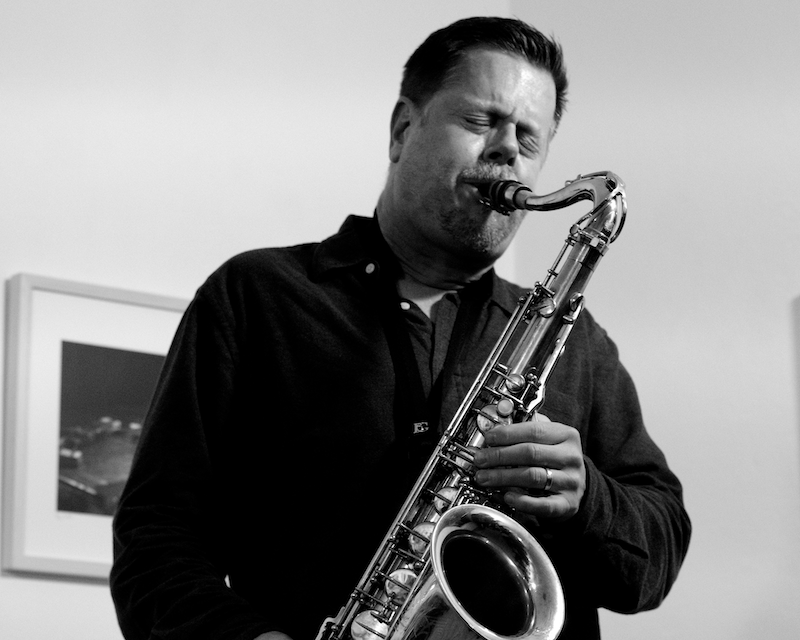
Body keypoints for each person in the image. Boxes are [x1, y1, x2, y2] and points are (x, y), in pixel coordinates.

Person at [111, 16, 691, 640]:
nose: (507, 151)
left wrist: (587, 499)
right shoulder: (256, 297)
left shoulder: (574, 341)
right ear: (401, 130)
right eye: (482, 120)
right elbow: (155, 544)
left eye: (529, 139)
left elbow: (656, 559)